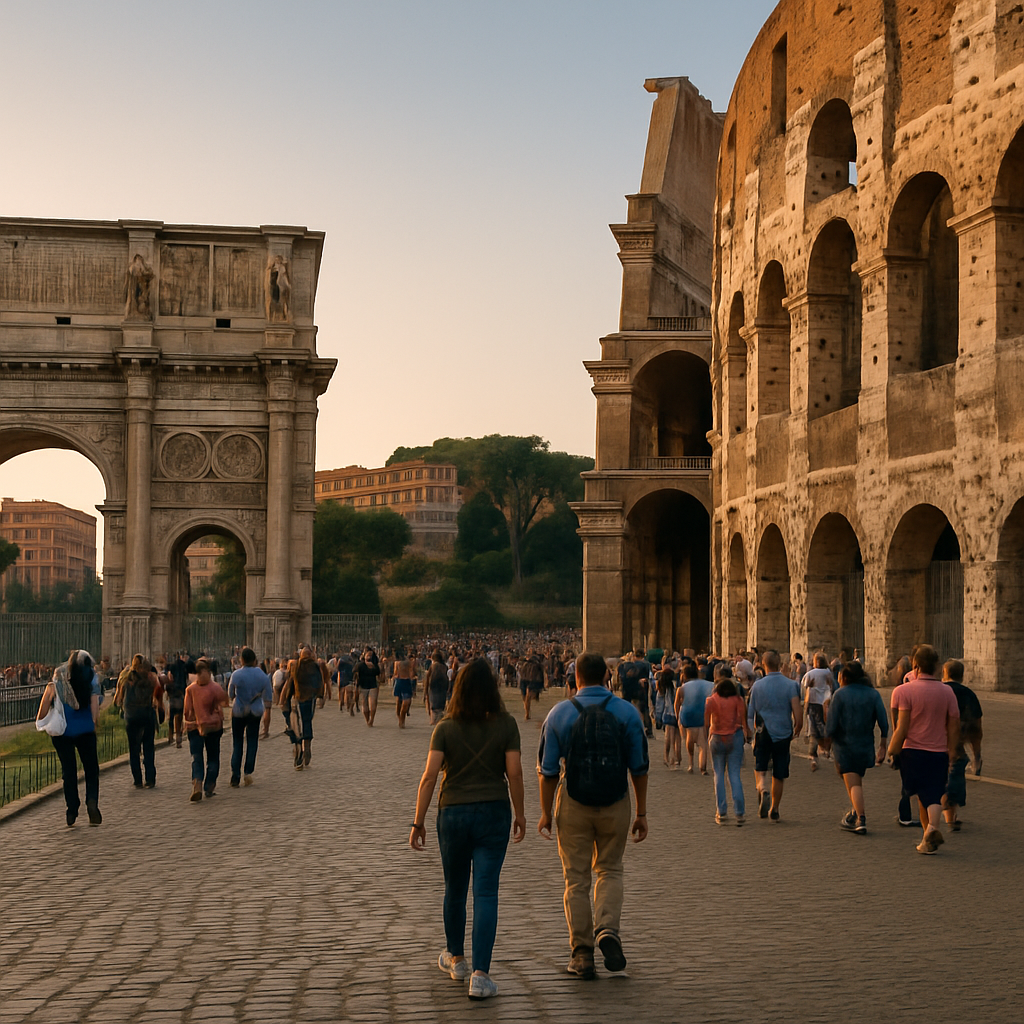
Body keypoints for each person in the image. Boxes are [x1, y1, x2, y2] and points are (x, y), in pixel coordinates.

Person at [410, 658, 526, 1002]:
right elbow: (515, 773)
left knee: (455, 889)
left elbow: (429, 776)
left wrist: (418, 821)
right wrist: (521, 813)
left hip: (453, 813)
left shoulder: (445, 727)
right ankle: (481, 975)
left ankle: (456, 958)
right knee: (486, 893)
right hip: (493, 812)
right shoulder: (506, 724)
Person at [537, 652, 649, 980]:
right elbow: (640, 767)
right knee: (610, 869)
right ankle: (608, 929)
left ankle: (582, 953)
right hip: (615, 801)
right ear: (606, 677)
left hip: (574, 802)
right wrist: (641, 812)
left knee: (576, 878)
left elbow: (547, 771)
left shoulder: (560, 713)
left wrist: (545, 812)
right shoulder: (627, 712)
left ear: (576, 679)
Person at [888, 645, 960, 854]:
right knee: (934, 794)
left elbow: (901, 726)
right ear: (936, 666)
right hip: (939, 751)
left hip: (913, 751)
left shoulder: (903, 691)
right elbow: (954, 724)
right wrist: (952, 750)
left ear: (915, 665)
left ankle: (929, 835)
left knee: (922, 796)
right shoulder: (947, 692)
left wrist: (892, 750)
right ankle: (931, 831)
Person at [36, 652, 102, 827]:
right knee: (91, 770)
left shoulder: (58, 676)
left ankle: (72, 809)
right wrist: (94, 722)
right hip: (85, 729)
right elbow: (94, 702)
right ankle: (92, 801)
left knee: (69, 771)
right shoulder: (91, 675)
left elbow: (45, 702)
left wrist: (41, 721)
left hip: (63, 731)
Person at [822, 661, 889, 834]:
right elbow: (883, 721)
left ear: (844, 677)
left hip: (845, 745)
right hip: (865, 744)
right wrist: (883, 744)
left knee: (853, 783)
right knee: (855, 779)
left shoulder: (840, 694)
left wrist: (826, 742)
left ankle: (860, 818)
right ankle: (854, 811)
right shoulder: (873, 694)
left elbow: (831, 724)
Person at [746, 649, 803, 821]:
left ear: (763, 664)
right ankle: (775, 808)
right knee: (779, 772)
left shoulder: (757, 686)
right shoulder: (791, 685)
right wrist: (798, 727)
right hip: (783, 732)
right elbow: (797, 710)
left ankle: (763, 788)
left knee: (760, 766)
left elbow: (750, 713)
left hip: (762, 731)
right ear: (780, 664)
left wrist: (749, 731)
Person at [940, 659, 983, 829]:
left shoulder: (940, 690)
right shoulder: (969, 694)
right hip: (959, 741)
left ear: (944, 673)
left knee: (941, 775)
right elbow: (976, 728)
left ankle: (948, 813)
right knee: (955, 774)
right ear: (962, 676)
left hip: (937, 739)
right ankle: (950, 815)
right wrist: (977, 756)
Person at [704, 667, 750, 825]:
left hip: (717, 736)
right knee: (734, 775)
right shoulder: (738, 700)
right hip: (734, 736)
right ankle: (739, 813)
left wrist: (707, 736)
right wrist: (746, 733)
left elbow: (706, 722)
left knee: (718, 774)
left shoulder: (711, 700)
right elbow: (743, 720)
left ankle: (721, 812)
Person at [183, 658, 228, 802]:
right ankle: (209, 786)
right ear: (208, 672)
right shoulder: (215, 688)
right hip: (213, 726)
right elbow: (224, 703)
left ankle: (197, 783)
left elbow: (187, 711)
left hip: (195, 726)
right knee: (213, 757)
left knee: (196, 757)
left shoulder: (190, 689)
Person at [227, 647, 273, 787]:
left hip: (239, 710)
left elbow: (230, 694)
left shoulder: (236, 675)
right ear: (254, 660)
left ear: (241, 660)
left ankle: (235, 775)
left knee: (237, 742)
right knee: (252, 741)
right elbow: (268, 697)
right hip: (255, 711)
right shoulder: (262, 676)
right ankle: (248, 772)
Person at [115, 653, 161, 789]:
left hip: (131, 717)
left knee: (134, 750)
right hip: (147, 715)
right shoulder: (151, 678)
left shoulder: (125, 678)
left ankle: (137, 779)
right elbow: (158, 694)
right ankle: (150, 779)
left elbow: (118, 699)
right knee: (148, 748)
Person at [282, 647, 326, 768]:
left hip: (298, 697)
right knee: (307, 721)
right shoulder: (315, 666)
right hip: (310, 698)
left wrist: (286, 698)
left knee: (297, 724)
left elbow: (291, 682)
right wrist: (320, 695)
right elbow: (320, 681)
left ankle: (299, 745)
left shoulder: (296, 666)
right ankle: (307, 745)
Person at [675, 661, 711, 774]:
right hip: (702, 714)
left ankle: (691, 764)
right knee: (702, 742)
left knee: (689, 739)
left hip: (687, 715)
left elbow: (676, 704)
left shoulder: (682, 688)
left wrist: (677, 716)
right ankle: (702, 767)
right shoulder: (708, 684)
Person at [803, 655, 833, 771]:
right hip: (825, 702)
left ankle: (813, 754)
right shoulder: (828, 672)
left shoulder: (811, 673)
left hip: (813, 702)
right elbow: (832, 685)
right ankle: (826, 749)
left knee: (813, 728)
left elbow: (804, 685)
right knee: (823, 725)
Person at [617, 649, 652, 737]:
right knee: (643, 709)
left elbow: (621, 679)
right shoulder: (645, 665)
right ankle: (647, 729)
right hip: (640, 689)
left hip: (627, 690)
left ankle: (627, 727)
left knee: (628, 709)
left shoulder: (622, 666)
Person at [656, 667, 680, 767]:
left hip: (667, 714)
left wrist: (658, 718)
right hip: (677, 714)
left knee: (668, 738)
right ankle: (676, 757)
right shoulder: (676, 687)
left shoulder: (662, 689)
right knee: (677, 738)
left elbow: (659, 705)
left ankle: (667, 757)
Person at [355, 649, 381, 726]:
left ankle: (371, 719)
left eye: (370, 655)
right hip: (364, 686)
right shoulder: (361, 665)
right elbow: (355, 675)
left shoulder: (373, 665)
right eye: (368, 655)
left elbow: (379, 675)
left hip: (371, 685)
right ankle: (368, 720)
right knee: (365, 704)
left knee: (372, 703)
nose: (369, 656)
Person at [517, 650, 545, 720]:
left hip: (531, 679)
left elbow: (542, 671)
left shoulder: (534, 661)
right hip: (527, 679)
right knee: (525, 697)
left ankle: (527, 713)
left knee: (527, 696)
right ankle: (527, 712)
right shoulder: (525, 661)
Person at [392, 649, 415, 728]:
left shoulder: (406, 662)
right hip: (402, 681)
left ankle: (401, 719)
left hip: (402, 681)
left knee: (402, 702)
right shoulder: (399, 663)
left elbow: (396, 673)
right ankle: (401, 719)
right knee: (400, 702)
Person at [426, 649, 449, 725]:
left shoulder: (433, 666)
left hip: (434, 687)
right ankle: (439, 720)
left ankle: (433, 720)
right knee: (440, 706)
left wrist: (426, 690)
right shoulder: (444, 666)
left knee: (434, 706)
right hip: (443, 687)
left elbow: (427, 678)